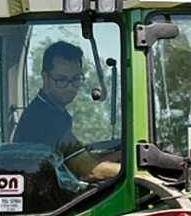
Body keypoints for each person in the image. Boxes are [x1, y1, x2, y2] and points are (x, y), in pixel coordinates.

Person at [14, 40, 120, 183]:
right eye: (61, 80)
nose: (70, 87)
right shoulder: (44, 118)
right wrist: (134, 170)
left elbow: (81, 159)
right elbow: (89, 171)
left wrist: (122, 154)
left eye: (75, 79)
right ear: (45, 77)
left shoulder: (52, 111)